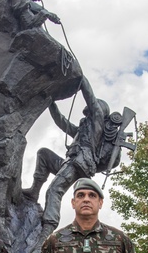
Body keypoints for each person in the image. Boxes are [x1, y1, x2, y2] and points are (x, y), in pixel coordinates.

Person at [23, 77, 126, 233]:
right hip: (70, 161)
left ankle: (45, 233)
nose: (85, 115)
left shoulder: (96, 121)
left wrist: (81, 78)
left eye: (88, 112)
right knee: (43, 154)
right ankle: (34, 192)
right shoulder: (82, 129)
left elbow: (90, 96)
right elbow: (62, 122)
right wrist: (51, 103)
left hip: (80, 163)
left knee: (54, 190)